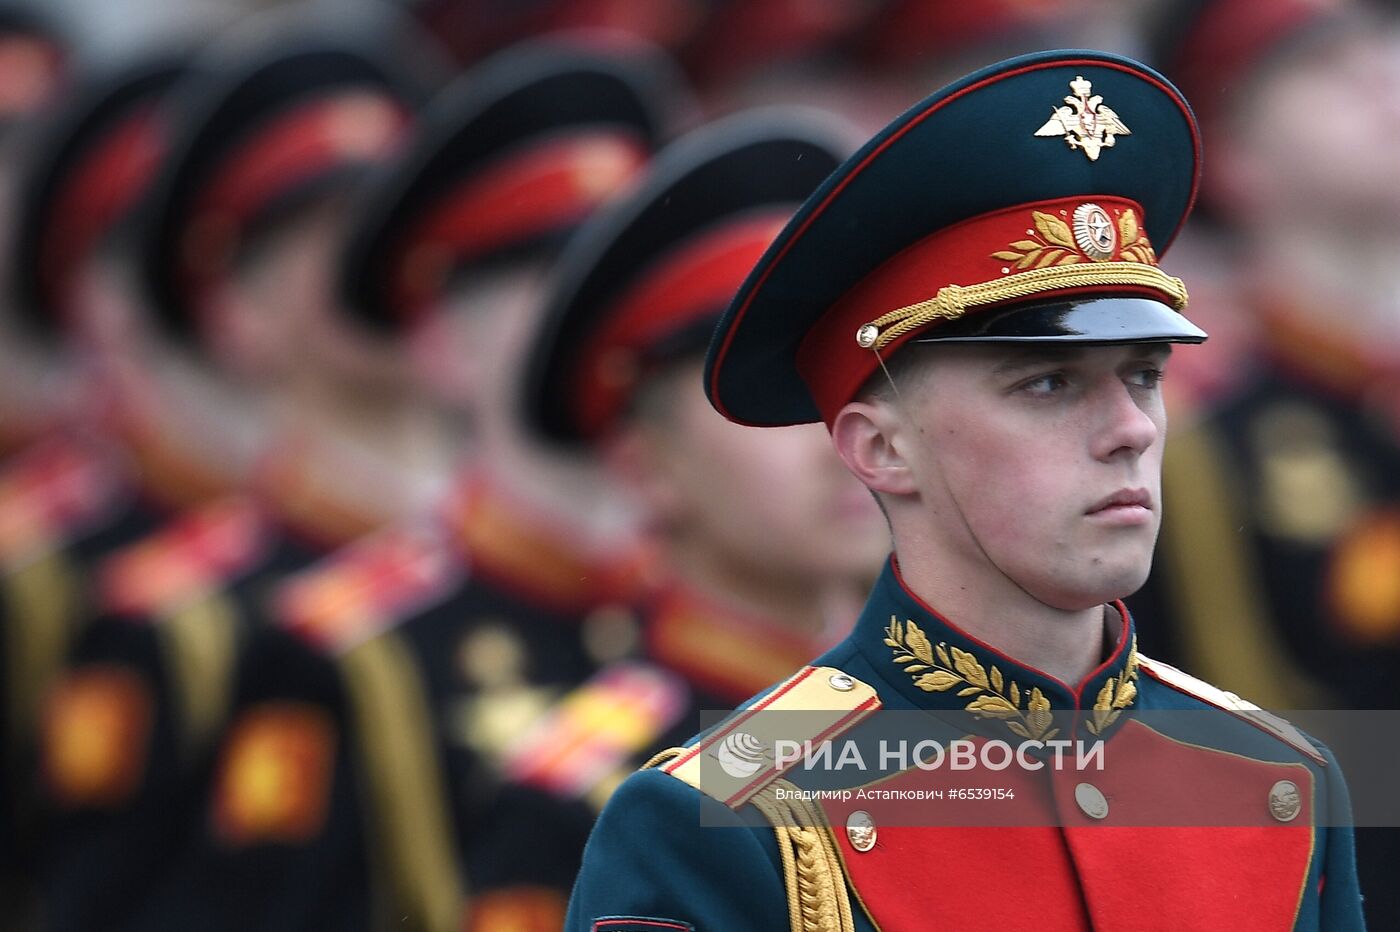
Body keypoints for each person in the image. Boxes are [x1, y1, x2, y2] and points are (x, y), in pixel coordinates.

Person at [566, 49, 1366, 931]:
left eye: (1143, 374)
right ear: (879, 449)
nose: (1132, 428)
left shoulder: (1276, 778)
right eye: (1049, 384)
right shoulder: (728, 812)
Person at [468, 109, 889, 925]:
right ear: (646, 466)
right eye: (771, 403)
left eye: (852, 376)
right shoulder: (586, 789)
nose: (839, 433)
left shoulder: (963, 733)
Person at [1130, 0, 1400, 926]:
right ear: (1238, 159)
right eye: (1323, 68)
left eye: (1383, 47)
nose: (1382, 79)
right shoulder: (1192, 448)